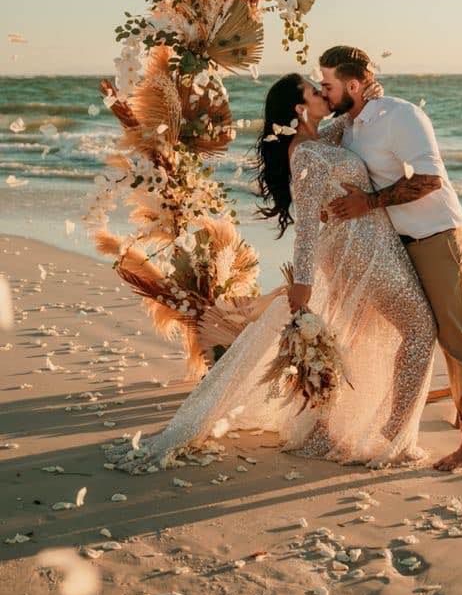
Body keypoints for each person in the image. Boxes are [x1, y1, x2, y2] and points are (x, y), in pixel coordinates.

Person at [107, 72, 437, 472]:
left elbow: (344, 125)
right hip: (360, 253)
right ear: (300, 107)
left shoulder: (318, 140)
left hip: (365, 246)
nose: (323, 92)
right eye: (315, 91)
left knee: (350, 337)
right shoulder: (307, 155)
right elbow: (307, 225)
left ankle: (328, 429)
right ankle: (394, 434)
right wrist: (303, 283)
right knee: (419, 329)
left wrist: (367, 95)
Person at [319, 45, 462, 472]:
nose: (323, 91)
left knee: (456, 335)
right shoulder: (348, 125)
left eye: (328, 84)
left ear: (352, 85)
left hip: (437, 237)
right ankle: (394, 424)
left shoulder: (401, 116)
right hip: (394, 243)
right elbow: (313, 149)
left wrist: (368, 202)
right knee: (408, 329)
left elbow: (429, 180)